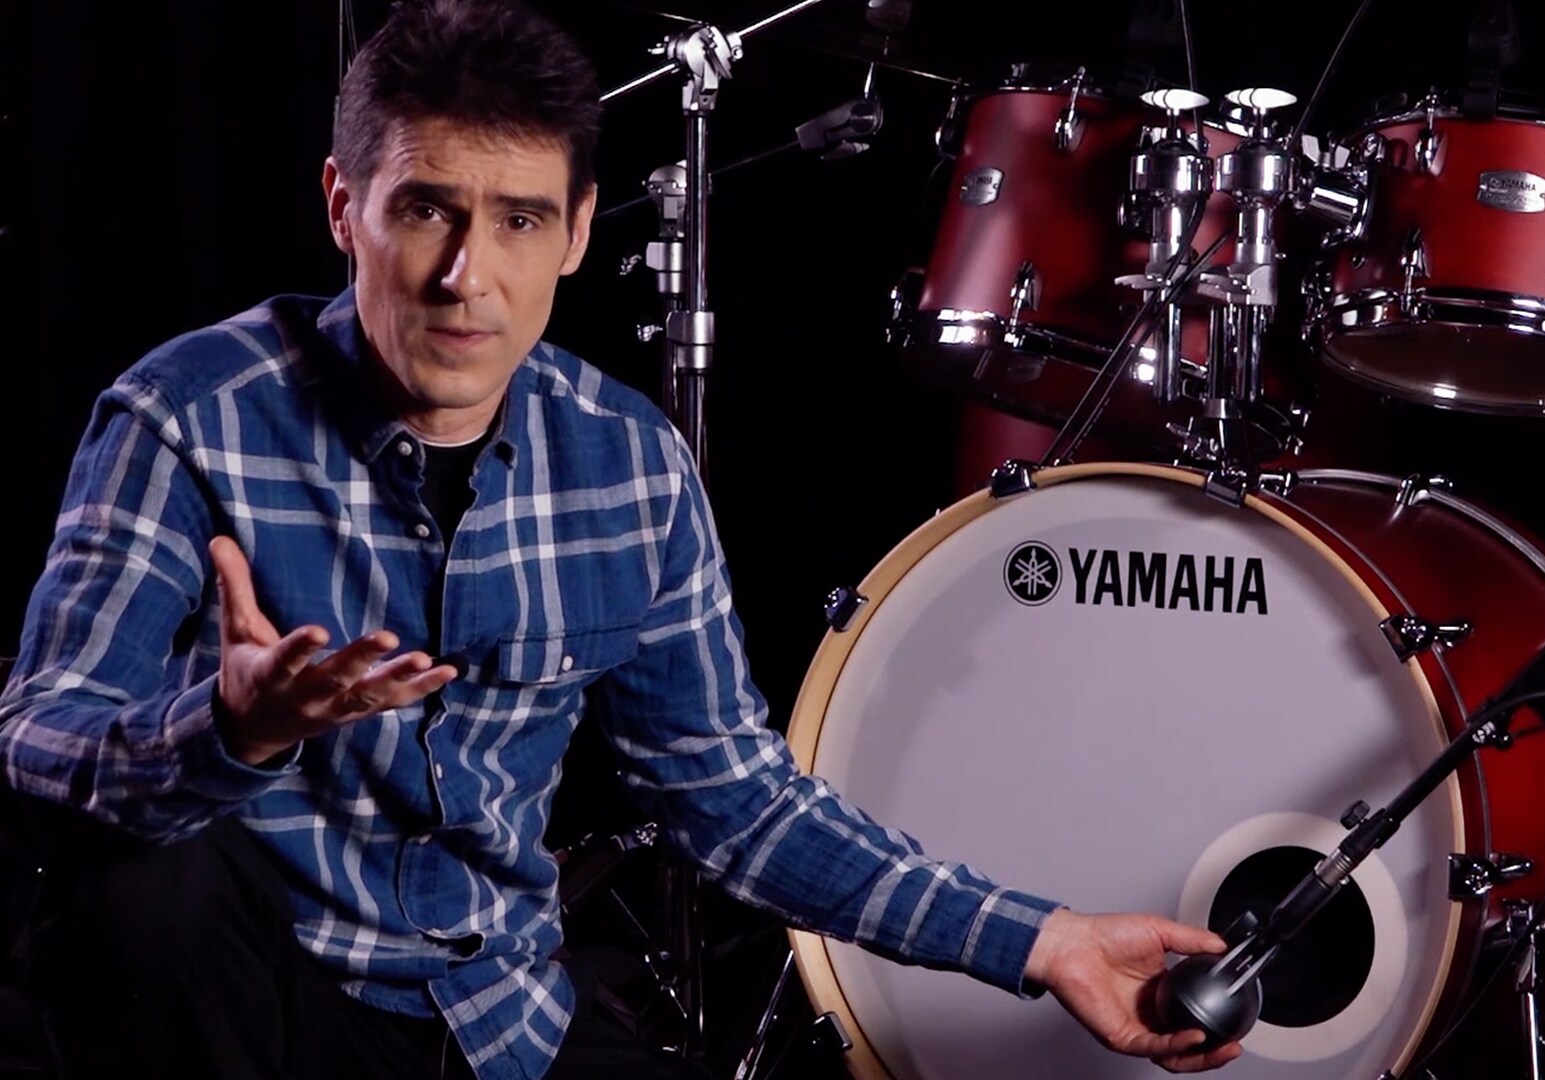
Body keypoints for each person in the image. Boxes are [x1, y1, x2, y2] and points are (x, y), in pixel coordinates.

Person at [0, 2, 1241, 1078]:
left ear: (580, 231)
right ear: (344, 206)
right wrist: (229, 730)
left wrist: (1045, 942)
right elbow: (44, 741)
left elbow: (733, 800)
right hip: (254, 1003)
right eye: (426, 210)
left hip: (494, 1012)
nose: (466, 275)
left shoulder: (629, 463)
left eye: (519, 220)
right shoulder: (188, 417)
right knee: (142, 893)